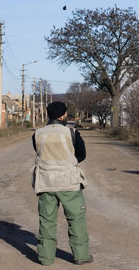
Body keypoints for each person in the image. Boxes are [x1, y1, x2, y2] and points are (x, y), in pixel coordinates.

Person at [32, 101, 93, 266]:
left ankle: (45, 258)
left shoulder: (37, 134)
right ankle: (81, 256)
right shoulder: (72, 132)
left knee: (46, 220)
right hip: (69, 183)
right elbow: (82, 155)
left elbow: (38, 151)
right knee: (76, 220)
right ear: (63, 115)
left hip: (45, 183)